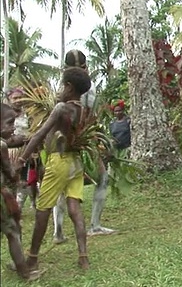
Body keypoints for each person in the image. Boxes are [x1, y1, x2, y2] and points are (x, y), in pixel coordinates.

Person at [18, 67, 92, 270]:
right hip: (76, 163)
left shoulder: (61, 108)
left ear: (69, 87)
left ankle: (32, 259)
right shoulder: (83, 109)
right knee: (75, 209)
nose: (59, 89)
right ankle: (83, 257)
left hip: (59, 162)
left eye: (62, 85)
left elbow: (40, 134)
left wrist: (22, 158)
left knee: (43, 210)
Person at [52, 49, 116, 240]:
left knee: (61, 185)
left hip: (60, 142)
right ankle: (94, 225)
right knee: (103, 177)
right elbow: (89, 116)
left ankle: (58, 231)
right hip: (83, 139)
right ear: (85, 67)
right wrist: (96, 139)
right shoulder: (88, 87)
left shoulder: (60, 88)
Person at [1, 104, 43, 280]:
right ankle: (24, 272)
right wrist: (17, 166)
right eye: (9, 123)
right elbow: (9, 173)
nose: (13, 128)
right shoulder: (1, 145)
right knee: (13, 233)